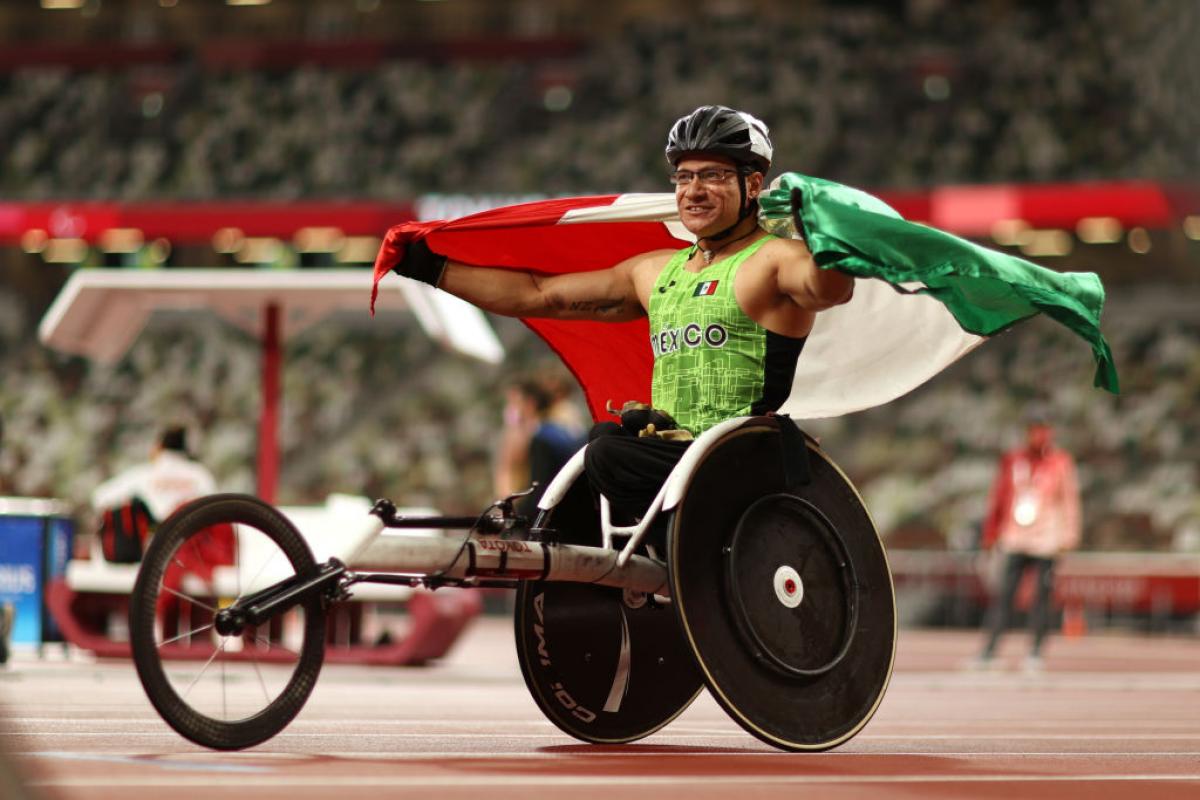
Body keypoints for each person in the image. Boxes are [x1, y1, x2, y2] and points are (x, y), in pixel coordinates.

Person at [392, 105, 854, 520]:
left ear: (752, 184)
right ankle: (543, 536)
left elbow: (827, 287)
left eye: (712, 175)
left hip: (739, 458)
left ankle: (539, 523)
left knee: (606, 452)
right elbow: (539, 294)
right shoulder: (653, 272)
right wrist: (427, 266)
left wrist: (828, 232)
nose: (693, 190)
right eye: (683, 177)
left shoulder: (776, 259)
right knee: (601, 445)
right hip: (669, 457)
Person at [974, 417, 1082, 671]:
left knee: (1042, 599)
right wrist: (991, 533)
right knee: (1004, 596)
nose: (1039, 436)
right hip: (1015, 538)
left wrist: (1069, 535)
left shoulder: (1060, 462)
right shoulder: (1014, 460)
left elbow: (1069, 500)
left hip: (1046, 541)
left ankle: (1035, 653)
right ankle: (989, 651)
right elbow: (999, 497)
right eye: (1035, 430)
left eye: (1044, 430)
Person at [91, 425, 217, 556]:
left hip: (153, 551)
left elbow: (100, 497)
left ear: (160, 447)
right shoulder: (201, 475)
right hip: (196, 548)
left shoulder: (146, 473)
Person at [494, 376, 587, 515]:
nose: (510, 410)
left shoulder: (543, 439)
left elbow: (540, 495)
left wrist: (517, 515)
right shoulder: (554, 430)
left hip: (560, 517)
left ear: (530, 404)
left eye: (514, 403)